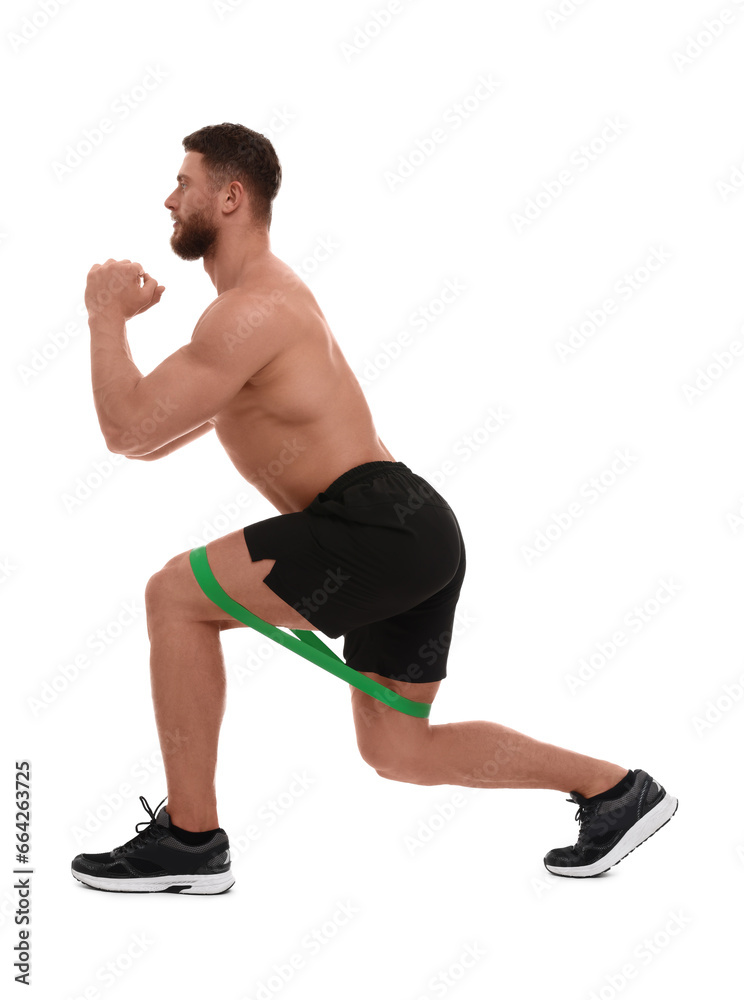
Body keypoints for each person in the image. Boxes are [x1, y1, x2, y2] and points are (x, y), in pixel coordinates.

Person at [71, 123, 677, 894]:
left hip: (377, 524)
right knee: (398, 750)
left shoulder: (251, 312)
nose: (169, 196)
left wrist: (102, 317)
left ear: (231, 196)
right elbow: (149, 442)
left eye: (183, 182)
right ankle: (617, 790)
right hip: (409, 528)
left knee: (175, 595)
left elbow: (127, 429)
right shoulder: (255, 308)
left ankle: (190, 841)